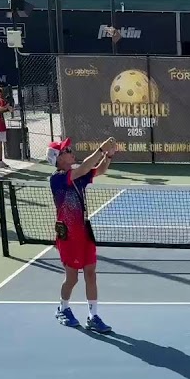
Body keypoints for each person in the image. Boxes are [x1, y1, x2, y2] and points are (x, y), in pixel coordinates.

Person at [48, 137, 117, 333]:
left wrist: (108, 155)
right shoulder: (58, 179)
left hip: (85, 233)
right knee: (72, 279)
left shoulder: (76, 175)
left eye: (69, 149)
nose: (70, 151)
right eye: (66, 150)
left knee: (90, 274)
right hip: (69, 236)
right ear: (58, 159)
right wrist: (100, 149)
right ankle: (63, 308)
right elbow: (86, 167)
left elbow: (99, 170)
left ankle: (93, 316)